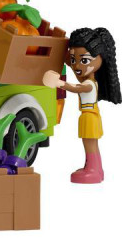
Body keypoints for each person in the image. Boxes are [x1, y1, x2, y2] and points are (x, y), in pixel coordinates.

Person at [43, 27, 120, 183]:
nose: (77, 66)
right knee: (90, 143)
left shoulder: (89, 84)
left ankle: (93, 170)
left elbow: (77, 88)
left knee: (90, 144)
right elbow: (75, 69)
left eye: (84, 60)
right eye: (74, 60)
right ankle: (94, 168)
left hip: (89, 117)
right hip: (89, 116)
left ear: (100, 59)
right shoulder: (87, 78)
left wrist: (59, 83)